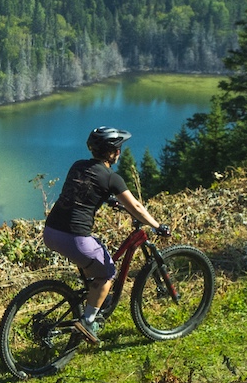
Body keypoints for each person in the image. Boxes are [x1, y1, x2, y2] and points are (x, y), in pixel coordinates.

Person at [42, 126, 168, 342]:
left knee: (96, 250)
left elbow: (82, 190)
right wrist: (157, 226)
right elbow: (137, 207)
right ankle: (88, 322)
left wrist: (109, 199)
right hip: (75, 238)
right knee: (108, 273)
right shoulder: (111, 178)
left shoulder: (78, 166)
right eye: (118, 149)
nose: (119, 152)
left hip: (51, 232)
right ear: (112, 152)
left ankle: (93, 296)